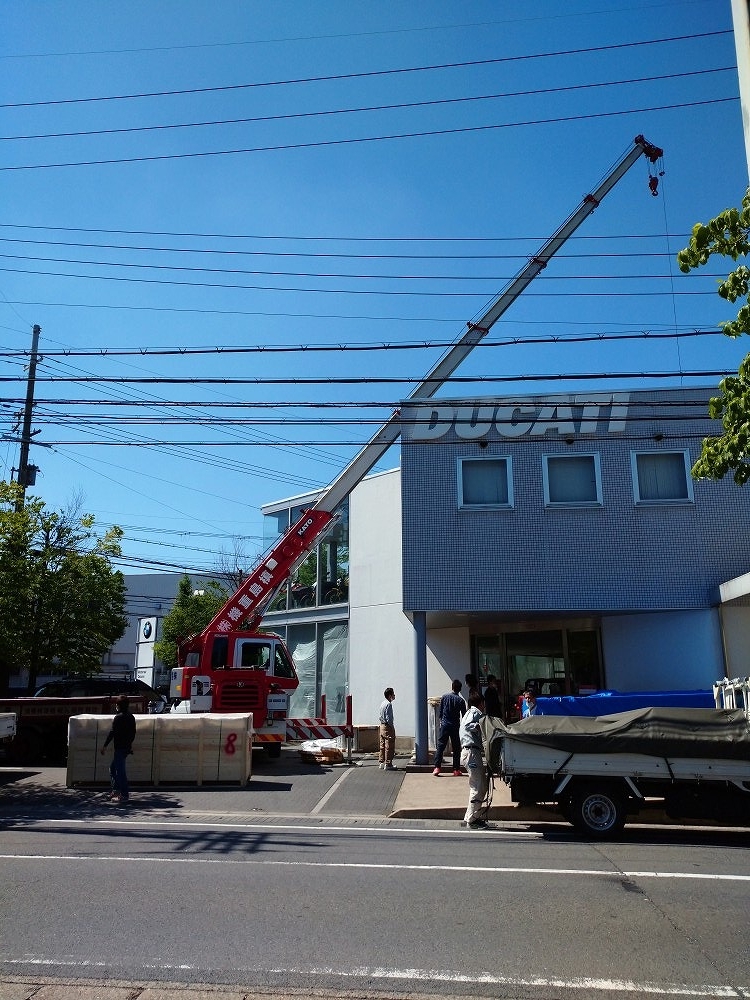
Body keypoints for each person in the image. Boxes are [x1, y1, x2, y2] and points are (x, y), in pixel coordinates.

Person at [459, 692, 490, 829]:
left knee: (480, 785)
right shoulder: (475, 713)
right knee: (477, 786)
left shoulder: (468, 712)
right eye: (483, 703)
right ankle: (472, 820)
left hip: (470, 752)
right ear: (481, 703)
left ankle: (470, 817)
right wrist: (479, 726)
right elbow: (468, 725)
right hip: (471, 752)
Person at [100, 694, 136, 804]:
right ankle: (116, 790)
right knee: (113, 768)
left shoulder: (118, 717)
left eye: (116, 705)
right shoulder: (131, 717)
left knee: (120, 772)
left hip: (120, 748)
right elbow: (133, 733)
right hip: (126, 748)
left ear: (119, 706)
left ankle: (124, 795)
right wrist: (129, 744)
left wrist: (105, 746)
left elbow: (112, 732)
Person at [432, 679, 467, 776]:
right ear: (460, 689)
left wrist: (441, 721)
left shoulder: (444, 697)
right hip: (455, 726)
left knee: (441, 746)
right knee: (456, 748)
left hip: (445, 724)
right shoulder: (461, 701)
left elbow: (441, 712)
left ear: (452, 687)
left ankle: (437, 767)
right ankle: (456, 769)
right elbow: (464, 715)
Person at [378, 687, 396, 770]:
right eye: (393, 694)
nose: (394, 695)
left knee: (382, 745)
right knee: (389, 745)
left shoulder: (382, 703)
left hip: (382, 725)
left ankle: (381, 762)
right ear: (390, 695)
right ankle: (388, 764)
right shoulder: (389, 704)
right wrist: (392, 727)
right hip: (387, 726)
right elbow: (389, 718)